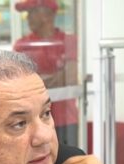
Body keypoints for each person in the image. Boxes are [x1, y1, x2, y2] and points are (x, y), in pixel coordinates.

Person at [13, 0, 80, 147]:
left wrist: (38, 80)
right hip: (35, 121)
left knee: (70, 160)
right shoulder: (22, 45)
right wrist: (59, 75)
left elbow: (71, 78)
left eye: (31, 12)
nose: (27, 18)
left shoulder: (69, 41)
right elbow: (22, 85)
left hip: (66, 119)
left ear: (47, 14)